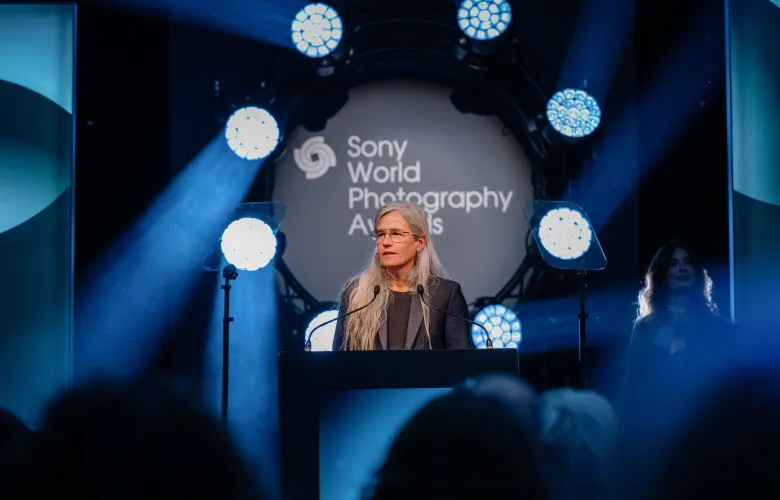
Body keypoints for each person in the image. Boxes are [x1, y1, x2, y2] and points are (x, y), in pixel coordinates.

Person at [332, 202, 471, 351]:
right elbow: (340, 359)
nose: (386, 242)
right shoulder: (356, 293)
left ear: (420, 242)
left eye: (396, 234)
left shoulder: (445, 294)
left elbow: (460, 359)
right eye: (381, 234)